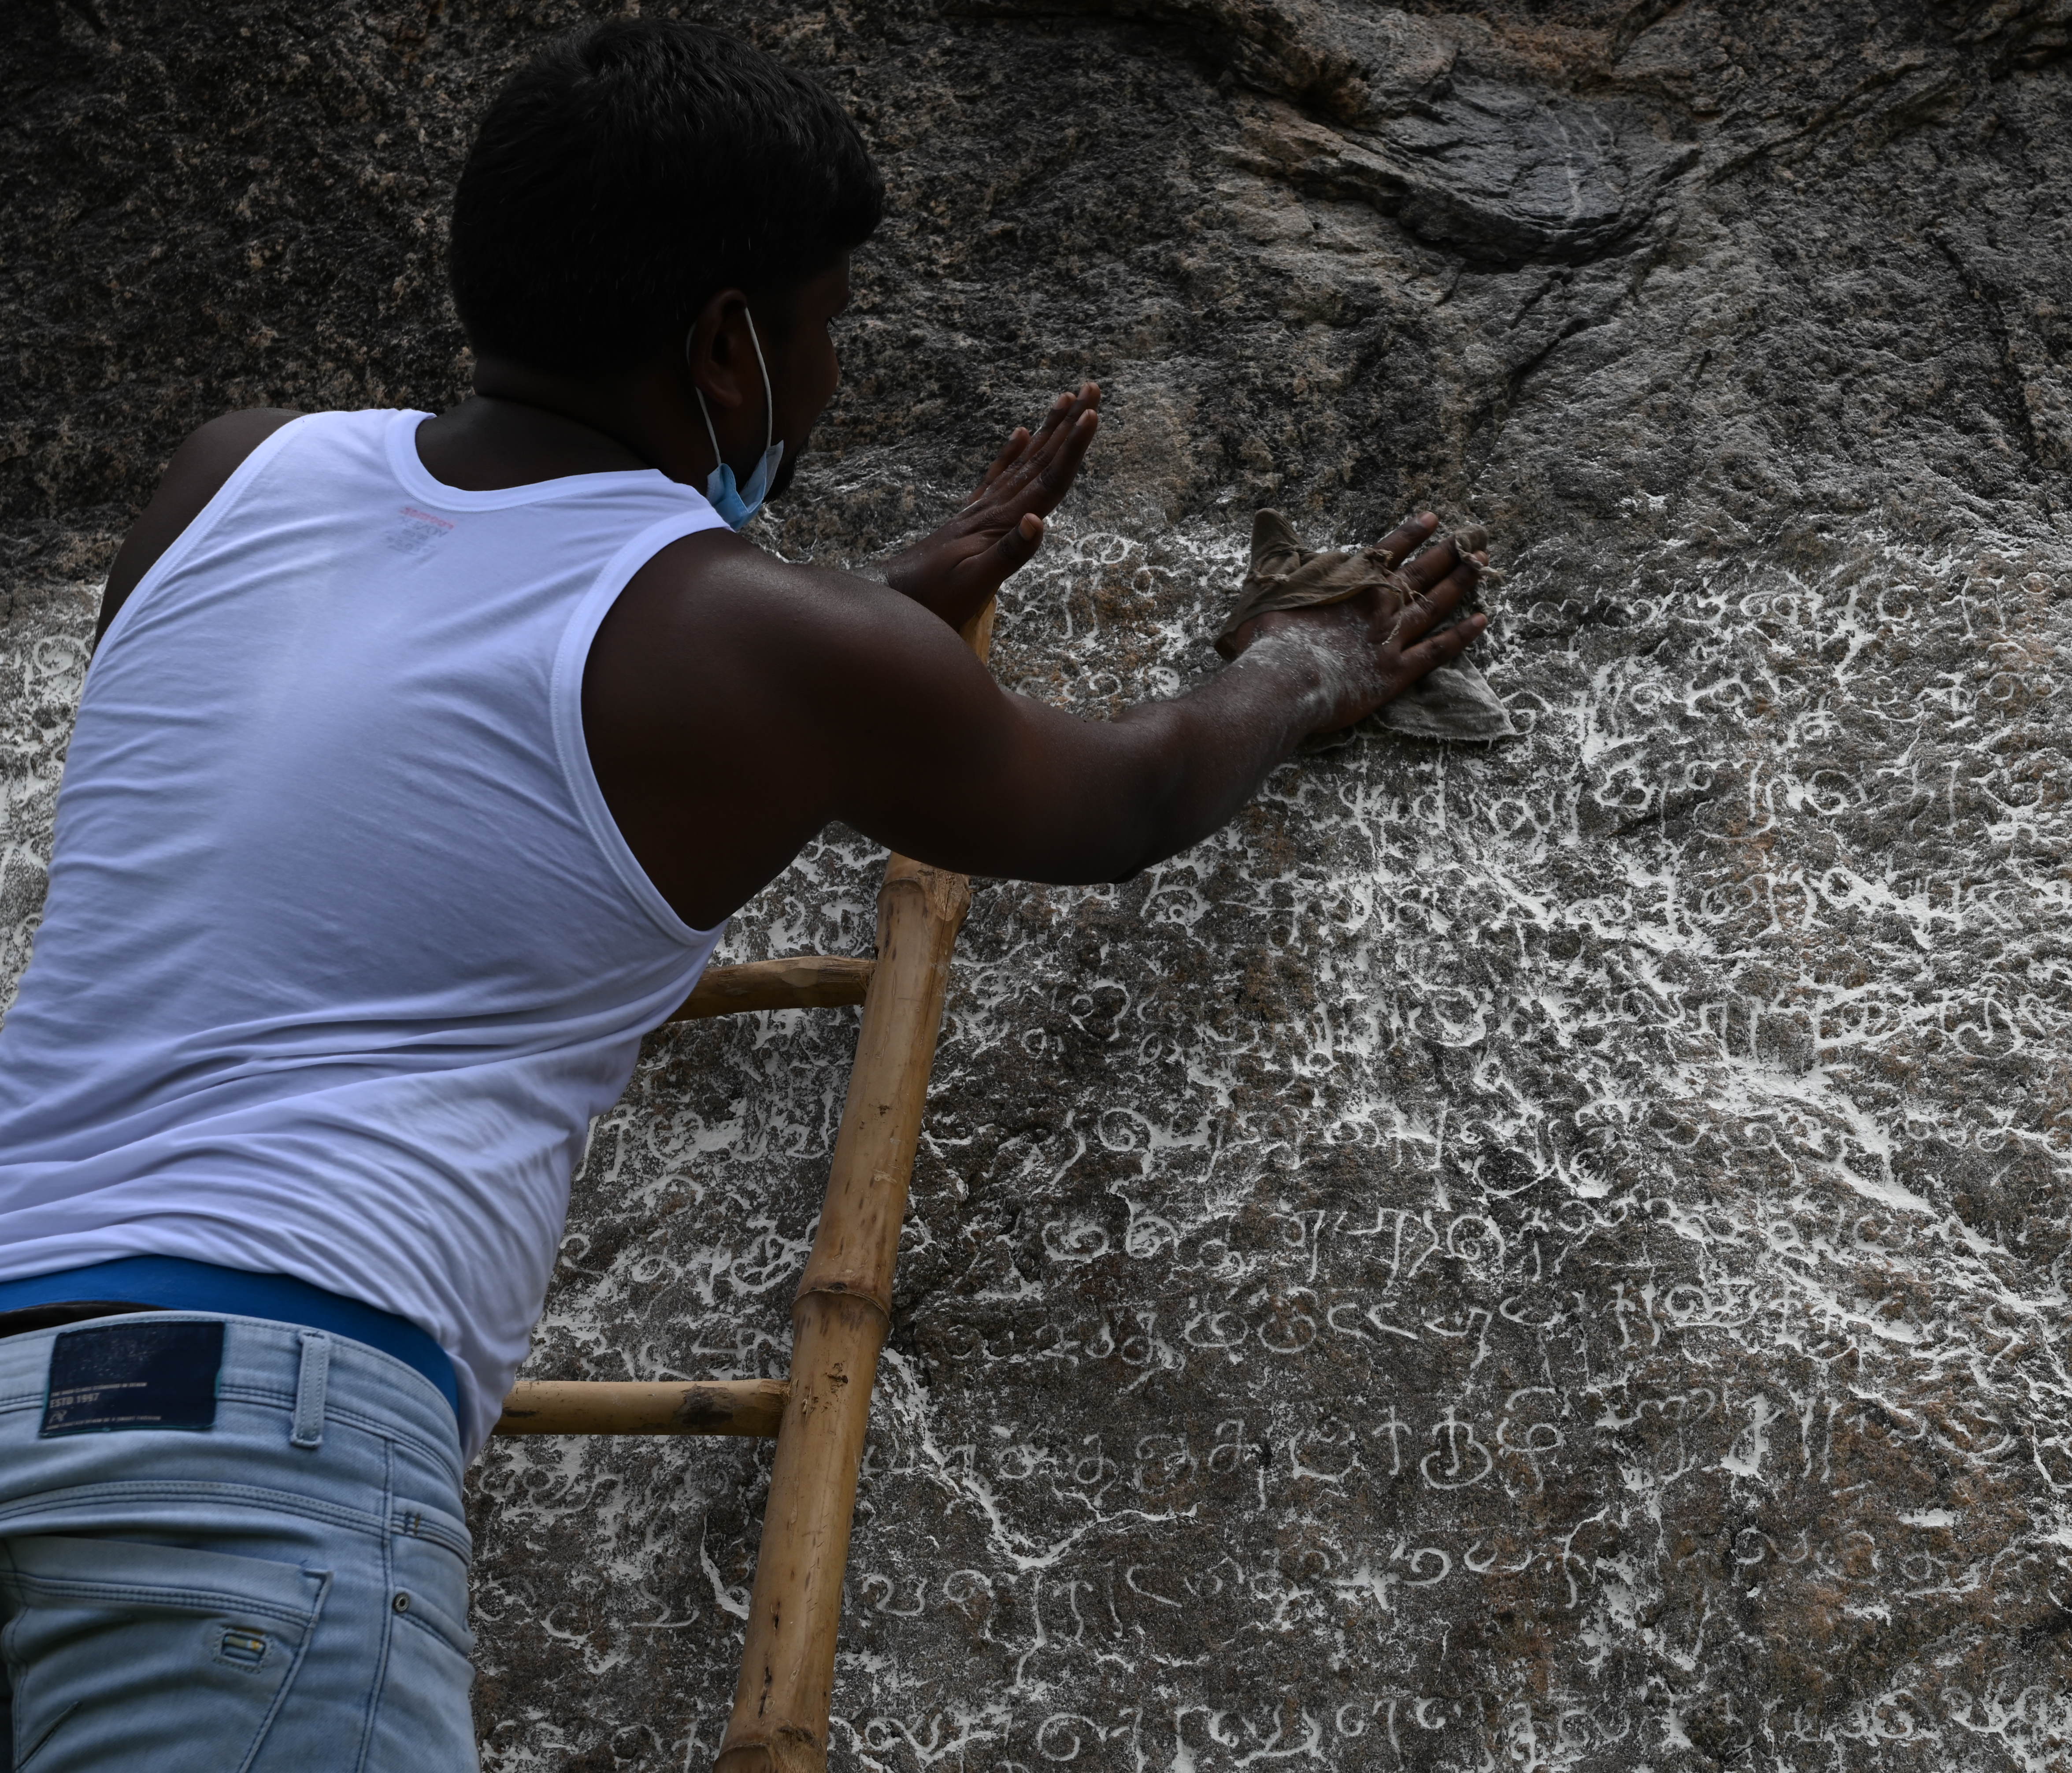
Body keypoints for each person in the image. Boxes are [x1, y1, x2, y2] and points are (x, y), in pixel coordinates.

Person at [0, 18, 1485, 1769]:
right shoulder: (754, 652)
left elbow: (406, 736)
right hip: (244, 1443)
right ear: (726, 345)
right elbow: (1134, 796)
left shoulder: (229, 473)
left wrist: (854, 616)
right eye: (826, 324)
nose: (830, 370)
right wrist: (1300, 665)